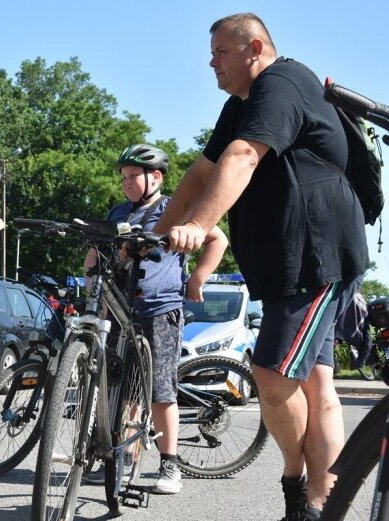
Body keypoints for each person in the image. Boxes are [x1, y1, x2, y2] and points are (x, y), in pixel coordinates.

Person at [155, 13, 369, 521]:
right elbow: (203, 170)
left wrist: (198, 226)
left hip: (318, 258)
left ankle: (298, 486)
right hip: (286, 265)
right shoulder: (241, 104)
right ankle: (321, 504)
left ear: (254, 48)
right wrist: (158, 232)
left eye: (220, 52)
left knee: (270, 375)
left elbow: (243, 156)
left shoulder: (282, 82)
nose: (211, 62)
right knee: (317, 387)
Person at [82, 144, 227, 494]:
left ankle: (169, 466)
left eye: (134, 177)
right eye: (124, 178)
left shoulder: (174, 208)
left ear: (156, 177)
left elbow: (217, 239)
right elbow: (94, 255)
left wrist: (197, 279)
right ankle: (122, 456)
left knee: (161, 391)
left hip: (159, 309)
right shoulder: (119, 211)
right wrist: (94, 293)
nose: (127, 183)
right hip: (120, 309)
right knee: (120, 385)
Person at [334, 291, 373, 369]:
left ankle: (334, 367)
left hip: (345, 316)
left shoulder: (346, 291)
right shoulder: (359, 296)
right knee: (367, 338)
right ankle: (360, 363)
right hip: (359, 315)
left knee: (333, 339)